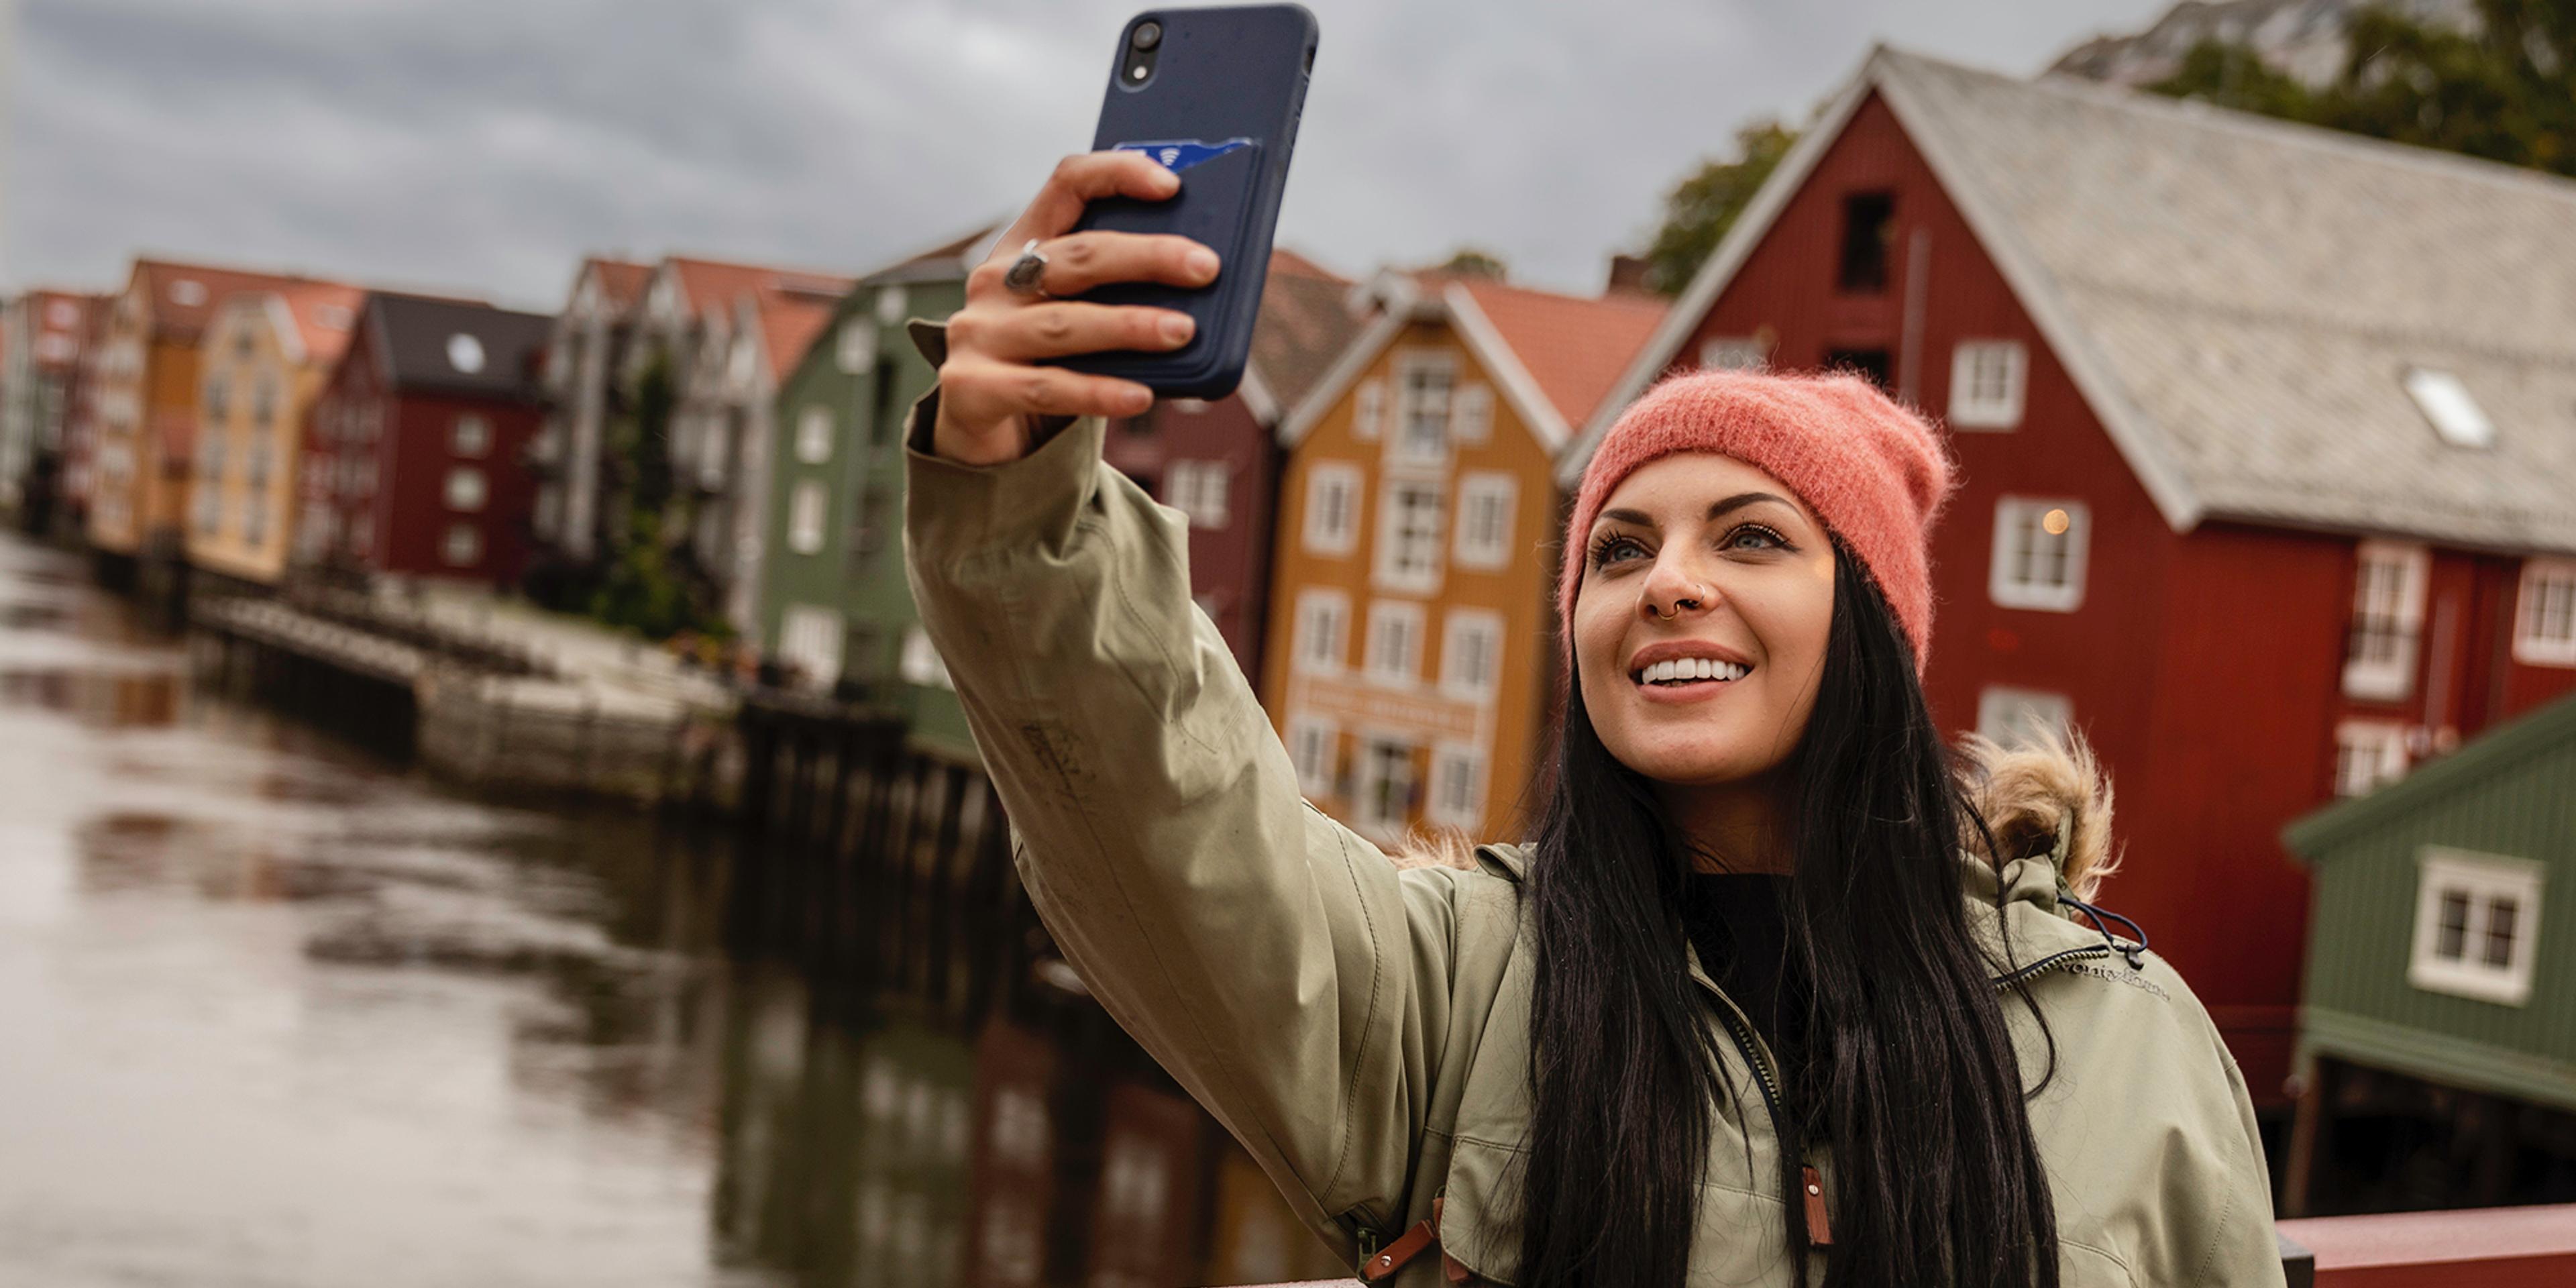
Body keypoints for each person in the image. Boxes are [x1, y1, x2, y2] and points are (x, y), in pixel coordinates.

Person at [904, 152, 2284, 1287]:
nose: (1667, 582)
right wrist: (1020, 489)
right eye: (1618, 553)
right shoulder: (1463, 991)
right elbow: (1166, 819)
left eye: (1750, 539)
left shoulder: (2123, 1040)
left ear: (1870, 626)